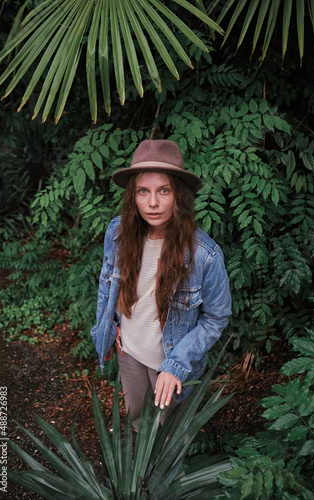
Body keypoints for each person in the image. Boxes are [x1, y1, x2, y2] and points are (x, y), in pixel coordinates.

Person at [91, 139, 231, 430]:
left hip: (169, 363)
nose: (152, 203)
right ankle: (137, 475)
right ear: (133, 196)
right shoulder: (118, 232)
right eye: (143, 191)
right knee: (138, 422)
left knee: (167, 437)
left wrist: (176, 365)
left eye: (163, 191)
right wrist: (106, 330)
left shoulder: (205, 255)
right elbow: (108, 287)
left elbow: (216, 318)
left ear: (178, 195)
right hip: (128, 351)